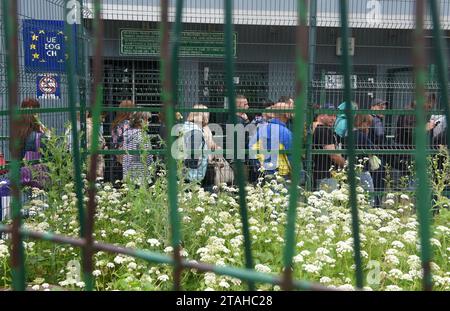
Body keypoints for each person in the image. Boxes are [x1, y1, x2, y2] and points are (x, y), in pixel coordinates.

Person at [249, 101, 293, 178]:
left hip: (263, 172)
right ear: (286, 114)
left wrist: (259, 166)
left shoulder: (261, 129)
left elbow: (251, 148)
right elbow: (292, 157)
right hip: (281, 174)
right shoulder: (286, 133)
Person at [312, 103, 346, 191]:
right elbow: (333, 155)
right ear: (321, 115)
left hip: (320, 174)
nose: (333, 118)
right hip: (326, 176)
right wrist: (346, 165)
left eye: (335, 116)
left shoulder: (315, 128)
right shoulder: (323, 130)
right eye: (330, 115)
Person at [175, 104, 209, 183]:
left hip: (181, 174)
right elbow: (192, 158)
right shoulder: (195, 132)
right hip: (191, 177)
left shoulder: (185, 128)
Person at [350, 114, 376, 205]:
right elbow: (372, 150)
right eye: (368, 123)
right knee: (369, 197)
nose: (369, 126)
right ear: (363, 123)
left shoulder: (348, 134)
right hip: (363, 170)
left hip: (349, 168)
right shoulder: (362, 136)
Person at [17, 114, 49, 189]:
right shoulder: (40, 136)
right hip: (39, 177)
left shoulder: (18, 138)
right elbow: (48, 156)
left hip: (22, 177)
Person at [122, 112, 153, 185]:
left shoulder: (128, 133)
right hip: (140, 174)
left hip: (128, 172)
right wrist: (151, 166)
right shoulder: (142, 135)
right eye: (147, 120)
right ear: (140, 121)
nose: (148, 122)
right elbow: (147, 155)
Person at [369, 98, 388, 206]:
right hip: (376, 157)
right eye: (380, 106)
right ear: (372, 107)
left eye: (384, 107)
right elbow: (380, 134)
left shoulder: (369, 118)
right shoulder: (376, 120)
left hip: (370, 156)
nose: (383, 109)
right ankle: (376, 206)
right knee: (378, 183)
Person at [111, 100, 135, 181]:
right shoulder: (128, 124)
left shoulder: (116, 124)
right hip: (127, 158)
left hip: (117, 157)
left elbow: (115, 141)